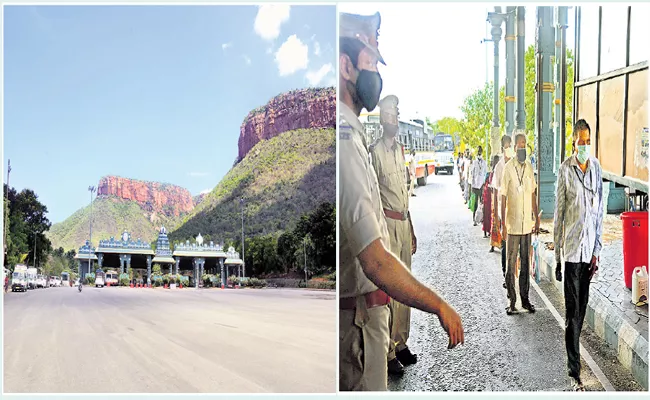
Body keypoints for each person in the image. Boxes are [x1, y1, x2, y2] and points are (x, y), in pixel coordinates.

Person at [338, 12, 464, 391]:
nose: (376, 73)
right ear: (345, 66)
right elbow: (376, 261)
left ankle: (400, 342)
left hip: (366, 316)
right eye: (370, 62)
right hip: (357, 326)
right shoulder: (347, 142)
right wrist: (439, 305)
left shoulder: (353, 137)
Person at [369, 95, 419, 376]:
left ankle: (401, 343)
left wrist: (411, 227)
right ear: (381, 118)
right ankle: (388, 352)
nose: (395, 118)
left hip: (402, 222)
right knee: (390, 289)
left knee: (406, 285)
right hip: (386, 225)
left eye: (397, 114)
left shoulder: (400, 150)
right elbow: (374, 198)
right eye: (390, 114)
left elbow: (404, 194)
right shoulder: (374, 152)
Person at [553, 119, 603, 391]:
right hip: (572, 252)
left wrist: (597, 250)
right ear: (573, 141)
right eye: (579, 141)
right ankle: (574, 371)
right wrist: (558, 254)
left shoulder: (596, 168)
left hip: (588, 255)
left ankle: (574, 353)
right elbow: (560, 212)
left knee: (581, 311)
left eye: (587, 141)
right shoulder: (565, 170)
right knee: (572, 313)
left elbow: (600, 212)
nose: (583, 146)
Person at [500, 133, 540, 315]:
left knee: (525, 263)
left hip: (526, 226)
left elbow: (532, 193)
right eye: (520, 144)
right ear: (515, 147)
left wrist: (536, 218)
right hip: (513, 225)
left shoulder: (530, 168)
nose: (523, 147)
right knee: (511, 264)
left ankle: (525, 299)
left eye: (525, 144)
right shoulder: (508, 168)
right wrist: (501, 224)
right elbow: (503, 197)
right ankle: (512, 300)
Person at [491, 135, 514, 285]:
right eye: (506, 146)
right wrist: (495, 215)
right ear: (502, 148)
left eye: (509, 145)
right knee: (506, 244)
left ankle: (513, 273)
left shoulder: (515, 164)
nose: (508, 149)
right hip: (503, 211)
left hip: (515, 210)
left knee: (514, 244)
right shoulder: (499, 167)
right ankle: (506, 273)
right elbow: (494, 191)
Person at [483, 155, 499, 242]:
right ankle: (486, 231)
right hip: (488, 196)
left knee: (493, 216)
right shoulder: (489, 174)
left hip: (494, 197)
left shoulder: (500, 171)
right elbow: (484, 184)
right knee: (487, 214)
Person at [470, 146, 488, 225]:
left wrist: (484, 184)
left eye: (480, 151)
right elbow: (472, 174)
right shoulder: (474, 162)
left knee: (482, 202)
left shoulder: (484, 163)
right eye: (478, 151)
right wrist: (472, 185)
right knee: (475, 203)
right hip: (475, 185)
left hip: (482, 185)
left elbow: (485, 173)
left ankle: (481, 219)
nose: (479, 153)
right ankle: (474, 219)